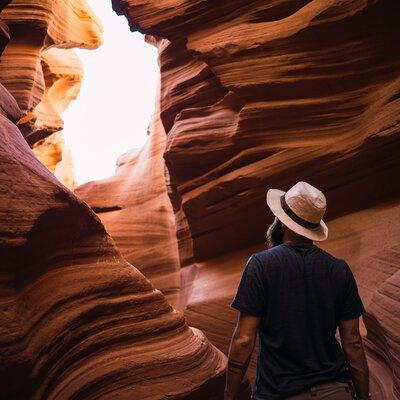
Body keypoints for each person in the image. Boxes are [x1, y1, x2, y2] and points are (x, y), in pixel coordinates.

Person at [224, 182, 370, 400]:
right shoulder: (339, 269)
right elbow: (353, 342)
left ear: (281, 223)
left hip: (279, 392)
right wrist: (364, 397)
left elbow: (244, 340)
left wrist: (229, 395)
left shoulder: (260, 265)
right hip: (336, 391)